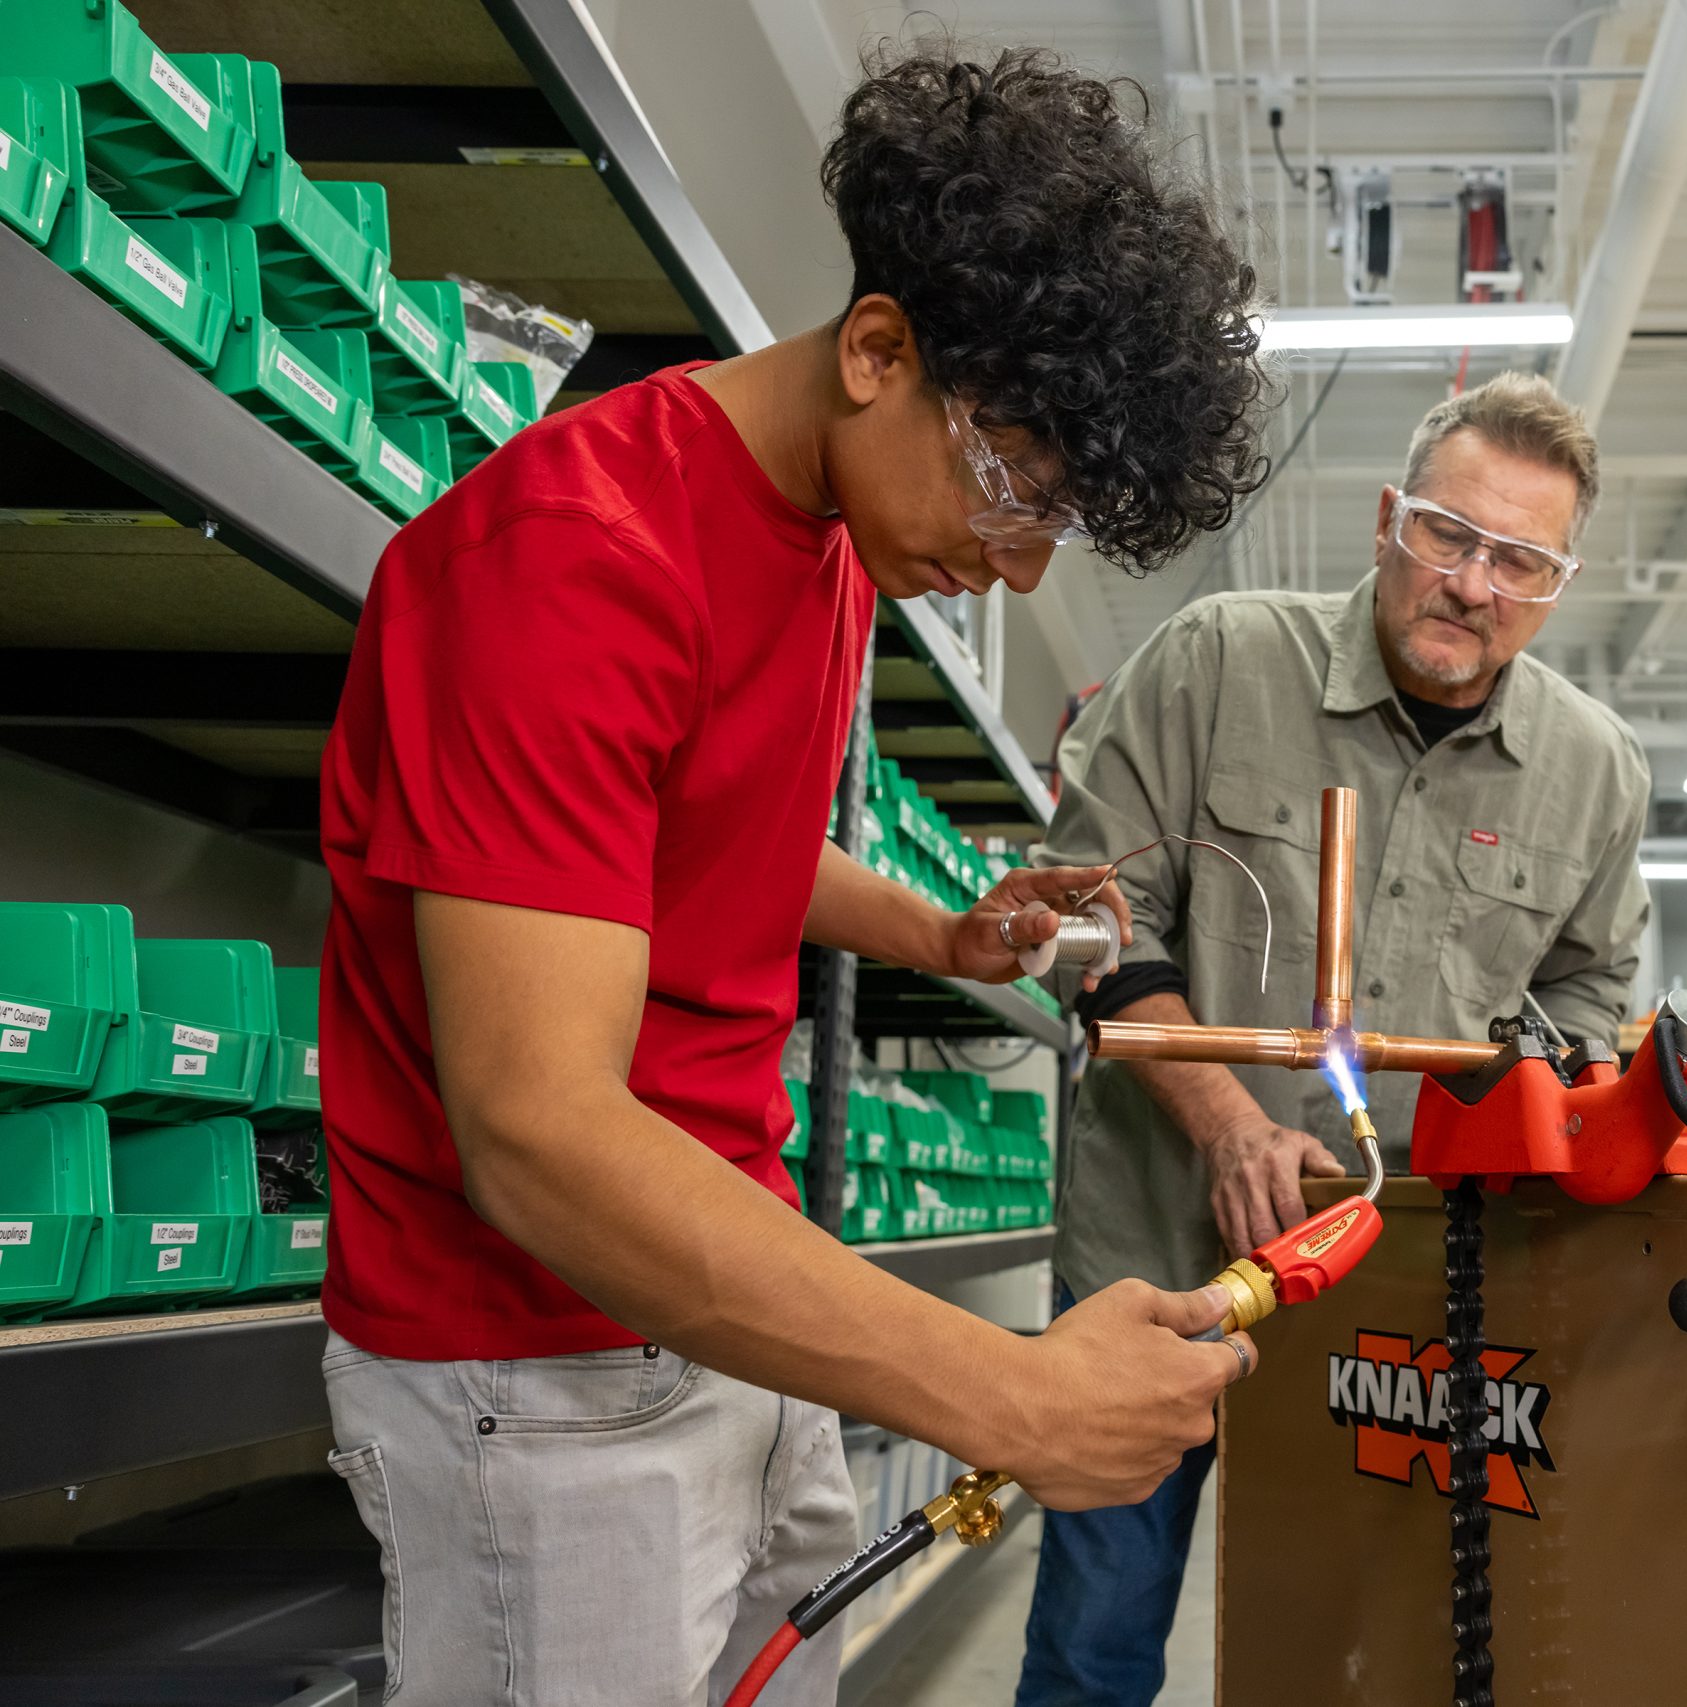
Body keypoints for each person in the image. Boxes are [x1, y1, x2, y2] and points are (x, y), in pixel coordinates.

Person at [314, 44, 1272, 1707]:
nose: (1015, 560)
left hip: (741, 1299)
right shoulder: (569, 563)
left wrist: (939, 930)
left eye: (1059, 523)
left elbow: (693, 832)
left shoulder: (823, 543)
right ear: (878, 351)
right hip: (538, 1373)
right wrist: (1003, 1392)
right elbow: (536, 1135)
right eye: (1012, 487)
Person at [1019, 372, 1653, 1706]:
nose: (1474, 583)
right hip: (1158, 1264)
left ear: (1558, 585)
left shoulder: (1594, 772)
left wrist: (1531, 1113)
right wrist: (1227, 1122)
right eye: (1449, 534)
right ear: (1388, 520)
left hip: (1410, 1292)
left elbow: (1588, 1004)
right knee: (1097, 1644)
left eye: (1519, 560)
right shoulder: (1217, 662)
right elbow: (1094, 931)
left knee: (1384, 1643)